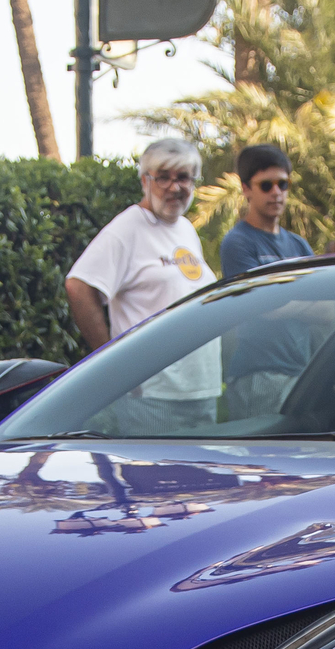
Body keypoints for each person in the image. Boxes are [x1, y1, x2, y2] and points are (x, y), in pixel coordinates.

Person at [65, 138, 219, 434]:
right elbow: (78, 286)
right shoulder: (128, 228)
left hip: (200, 389)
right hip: (153, 397)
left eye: (184, 177)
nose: (175, 187)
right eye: (163, 177)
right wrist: (112, 364)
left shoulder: (185, 228)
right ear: (145, 181)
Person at [216, 143, 315, 418]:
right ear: (246, 189)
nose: (276, 193)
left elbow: (328, 310)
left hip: (302, 372)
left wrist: (279, 300)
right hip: (257, 375)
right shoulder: (238, 242)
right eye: (266, 185)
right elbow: (258, 306)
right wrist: (302, 304)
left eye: (283, 184)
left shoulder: (299, 245)